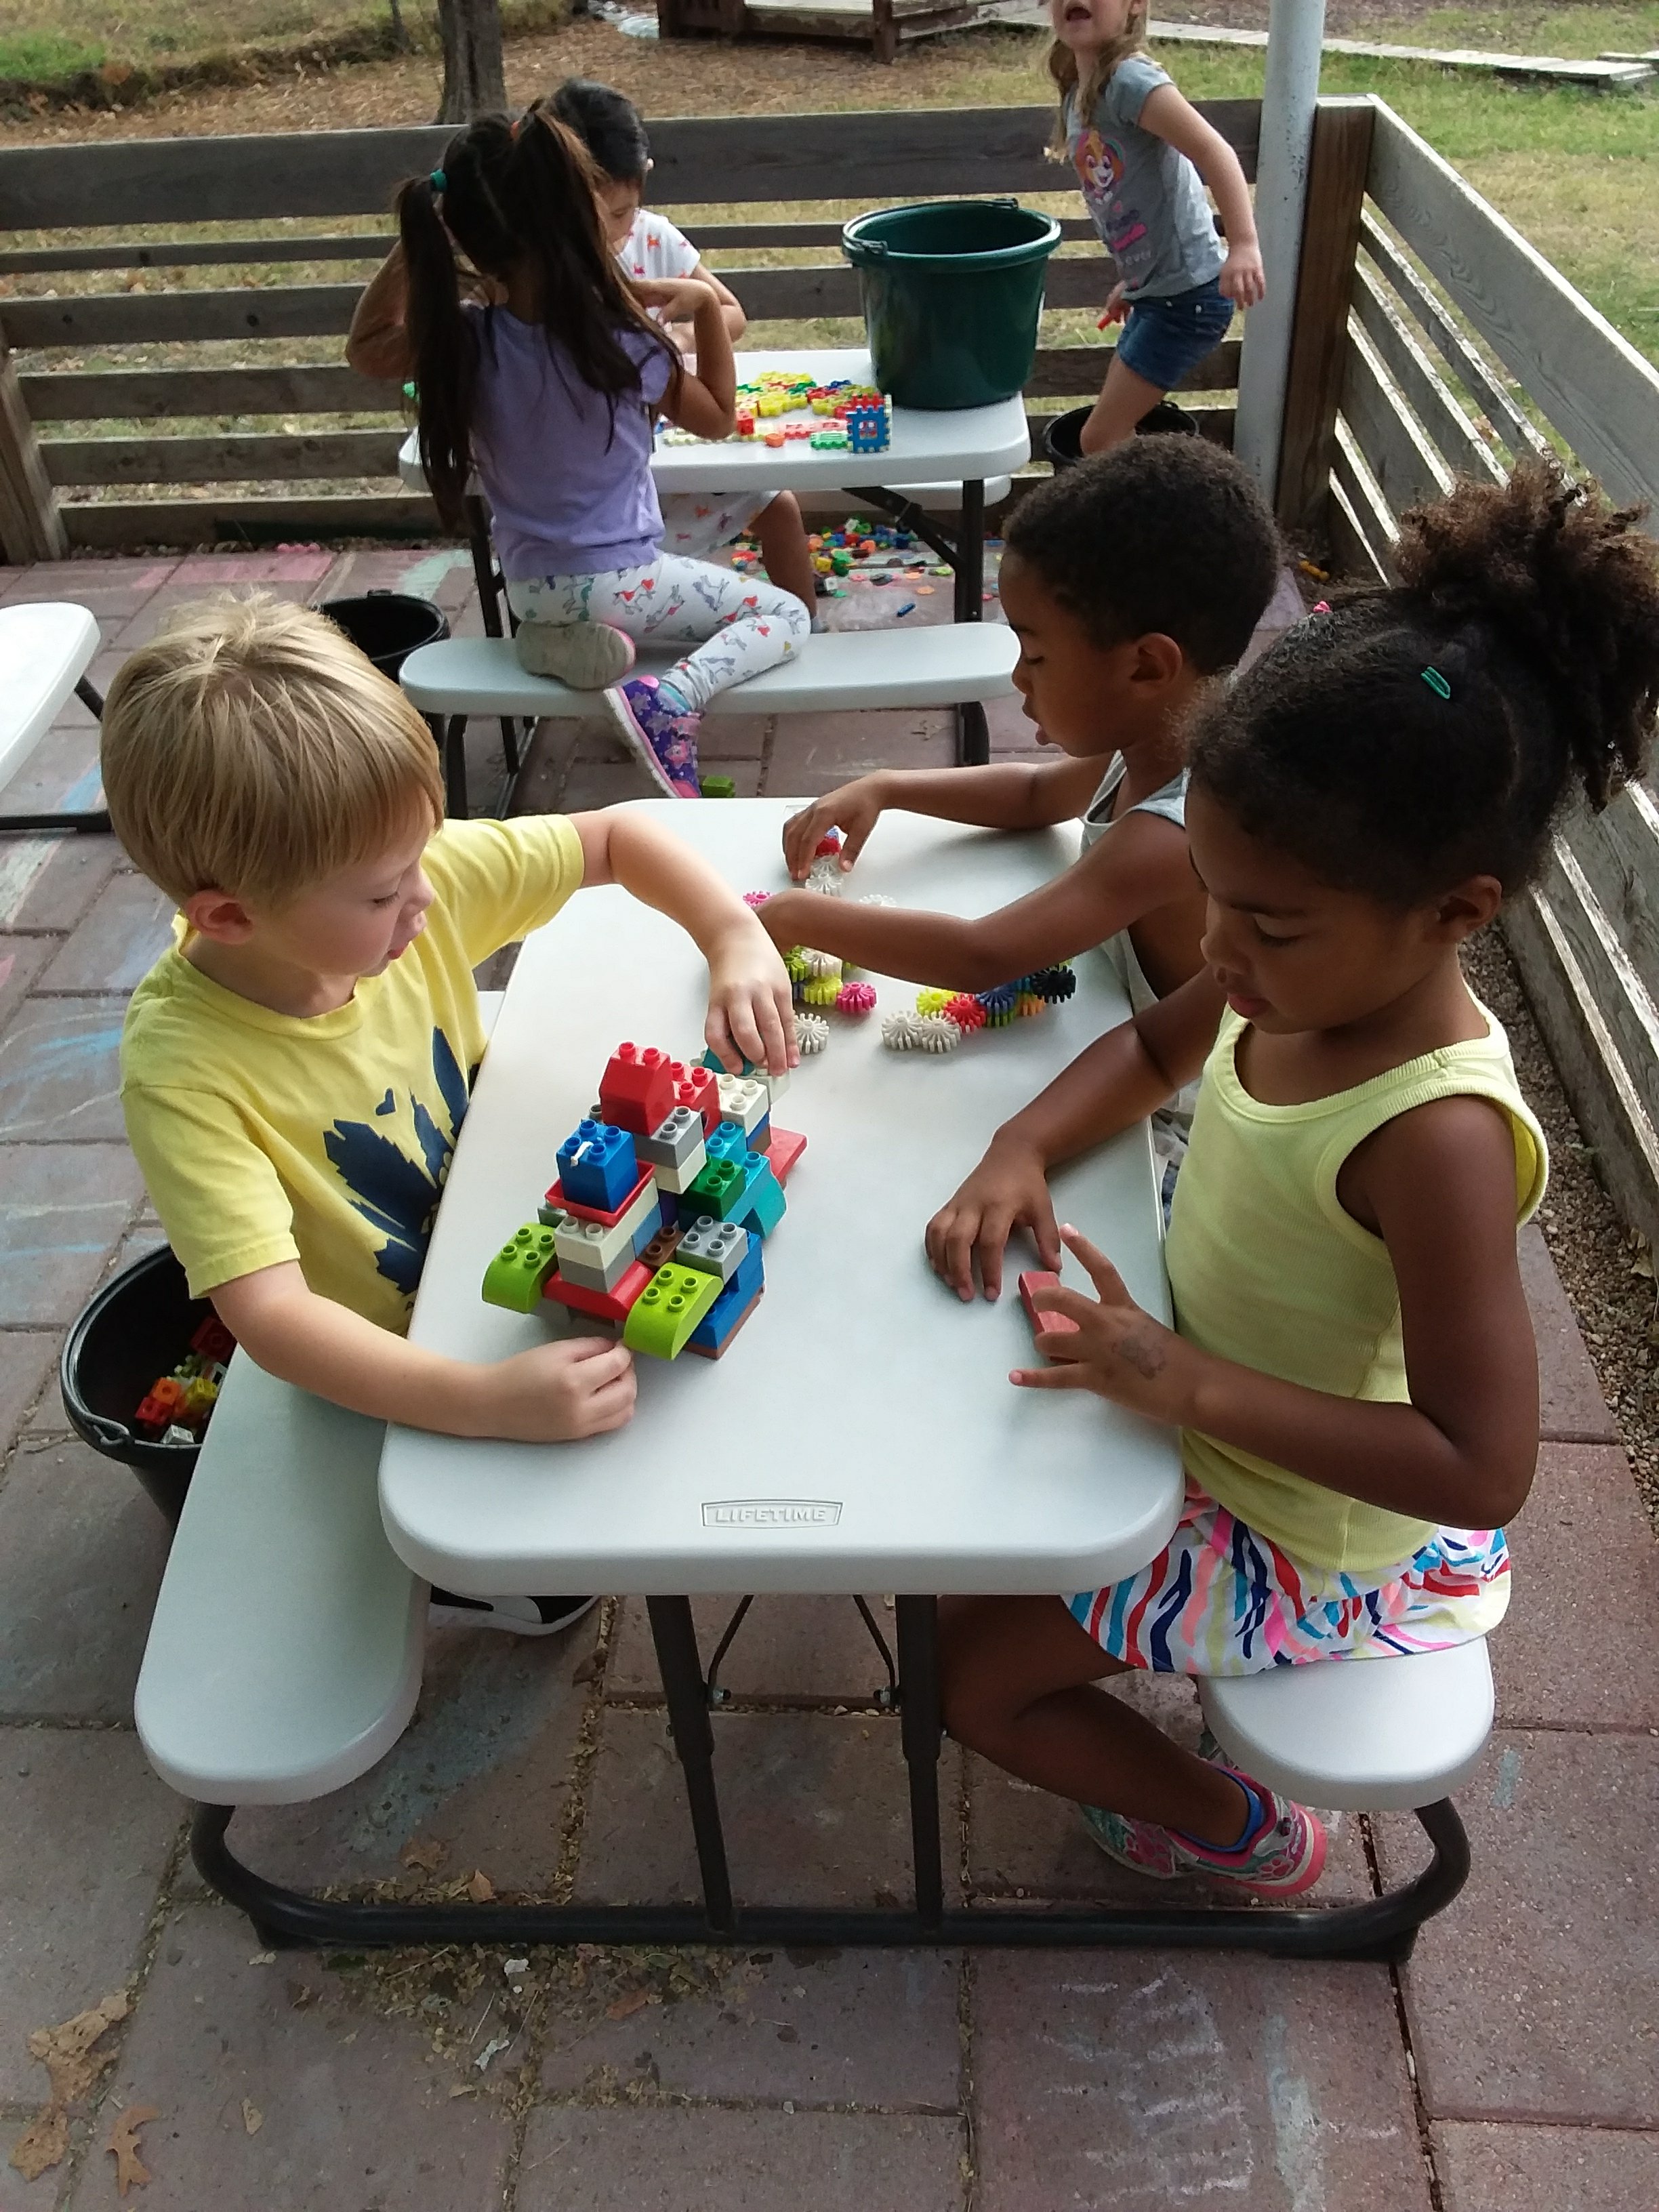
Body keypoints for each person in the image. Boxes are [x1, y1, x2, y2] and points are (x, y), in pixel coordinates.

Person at [930, 463, 1659, 1893]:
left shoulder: (1433, 1136)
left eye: (1263, 925)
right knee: (955, 1530)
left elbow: (1482, 1465)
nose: (1222, 954)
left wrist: (1181, 1380)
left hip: (1298, 1525)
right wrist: (1019, 1145)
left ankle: (1241, 1830)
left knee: (974, 1682)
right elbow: (1153, 1044)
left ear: (1454, 912)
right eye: (1214, 898)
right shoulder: (1292, 978)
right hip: (1200, 1404)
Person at [108, 595, 795, 1634]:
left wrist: (732, 936)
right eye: (385, 896)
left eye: (421, 861)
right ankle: (456, 1587)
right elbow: (274, 1321)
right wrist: (482, 1405)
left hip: (515, 1244)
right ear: (232, 916)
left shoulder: (392, 876)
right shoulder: (182, 1071)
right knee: (542, 1555)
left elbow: (617, 837)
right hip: (394, 1357)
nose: (425, 903)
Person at [757, 440, 1280, 1184]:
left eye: (1035, 655)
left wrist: (791, 916)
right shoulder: (1167, 732)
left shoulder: (1177, 832)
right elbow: (1037, 795)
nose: (1017, 677)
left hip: (1165, 1129)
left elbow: (982, 956)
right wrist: (888, 786)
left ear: (1145, 665)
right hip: (1100, 1027)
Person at [345, 106, 810, 800]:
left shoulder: (467, 342)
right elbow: (717, 419)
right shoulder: (618, 341)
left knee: (598, 606)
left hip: (529, 588)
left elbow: (365, 348)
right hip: (622, 580)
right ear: (578, 218)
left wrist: (427, 232)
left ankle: (552, 640)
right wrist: (705, 308)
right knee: (786, 616)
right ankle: (671, 701)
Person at [548, 77, 819, 617]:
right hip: (601, 494)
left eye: (621, 214)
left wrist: (679, 335)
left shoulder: (653, 239)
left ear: (644, 176)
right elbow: (714, 416)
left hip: (663, 450)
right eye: (592, 217)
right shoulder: (547, 271)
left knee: (779, 506)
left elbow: (732, 313)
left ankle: (805, 632)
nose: (610, 234)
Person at [1050, 0, 1264, 451]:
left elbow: (1214, 151)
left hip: (1188, 298)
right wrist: (1135, 282)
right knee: (1113, 437)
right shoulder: (1080, 94)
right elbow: (1137, 201)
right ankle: (1149, 497)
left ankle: (1156, 498)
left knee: (1100, 438)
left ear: (1134, 5)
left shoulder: (1130, 81)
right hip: (1159, 293)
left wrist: (1244, 245)